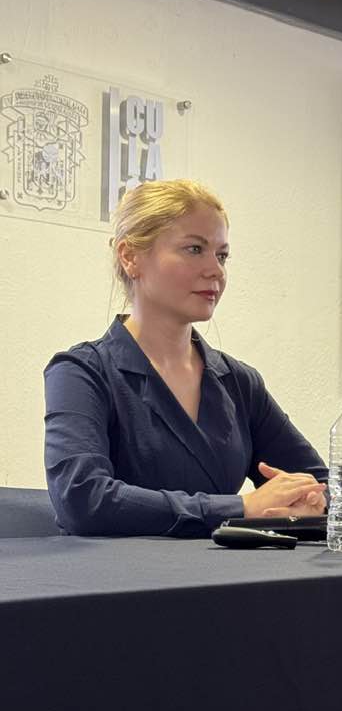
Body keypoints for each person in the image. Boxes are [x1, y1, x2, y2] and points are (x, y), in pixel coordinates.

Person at [44, 179, 327, 537]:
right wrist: (240, 508)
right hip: (116, 573)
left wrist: (310, 502)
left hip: (223, 571)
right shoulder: (82, 372)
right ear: (130, 257)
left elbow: (322, 483)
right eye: (194, 249)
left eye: (222, 256)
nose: (216, 271)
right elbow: (82, 500)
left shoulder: (239, 383)